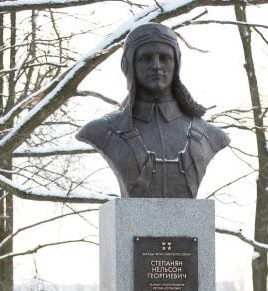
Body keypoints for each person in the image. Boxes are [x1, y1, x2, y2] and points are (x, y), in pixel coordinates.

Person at [76, 22, 230, 198]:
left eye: (165, 58)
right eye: (146, 58)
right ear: (130, 65)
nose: (156, 65)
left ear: (176, 64)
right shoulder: (102, 131)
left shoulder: (209, 135)